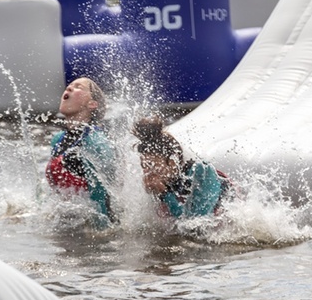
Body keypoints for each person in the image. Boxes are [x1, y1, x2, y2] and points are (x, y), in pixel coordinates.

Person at [45, 77, 117, 227]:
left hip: (96, 229)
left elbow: (102, 195)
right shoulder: (58, 140)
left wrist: (100, 234)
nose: (69, 88)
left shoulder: (96, 142)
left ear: (92, 104)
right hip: (69, 224)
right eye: (69, 86)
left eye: (78, 87)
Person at [131, 115, 231, 218]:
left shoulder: (202, 174)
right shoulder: (164, 183)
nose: (148, 171)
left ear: (172, 163)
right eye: (144, 166)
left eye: (152, 165)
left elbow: (195, 224)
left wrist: (164, 193)